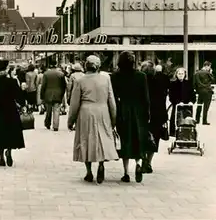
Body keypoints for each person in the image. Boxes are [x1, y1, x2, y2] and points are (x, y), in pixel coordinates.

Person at [68, 55, 119, 183]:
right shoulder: (106, 79)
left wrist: (71, 120)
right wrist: (113, 118)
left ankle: (89, 171)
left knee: (85, 139)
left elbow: (74, 103)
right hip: (103, 111)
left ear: (86, 66)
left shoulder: (80, 80)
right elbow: (111, 100)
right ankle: (101, 163)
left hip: (85, 112)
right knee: (102, 138)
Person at [110, 51, 150, 183]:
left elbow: (113, 97)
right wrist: (147, 114)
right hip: (138, 111)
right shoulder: (141, 76)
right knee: (137, 138)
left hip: (123, 111)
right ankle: (138, 164)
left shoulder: (115, 77)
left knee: (125, 140)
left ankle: (126, 172)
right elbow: (145, 98)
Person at [141, 61, 168, 174]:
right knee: (154, 138)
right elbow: (162, 99)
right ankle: (149, 162)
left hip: (142, 113)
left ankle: (143, 161)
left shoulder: (141, 81)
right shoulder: (159, 82)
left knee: (143, 137)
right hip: (156, 114)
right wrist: (164, 117)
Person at [168, 67, 196, 136]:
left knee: (188, 120)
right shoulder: (173, 84)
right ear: (176, 74)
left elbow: (192, 94)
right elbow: (171, 96)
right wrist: (177, 102)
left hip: (187, 106)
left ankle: (188, 133)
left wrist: (191, 102)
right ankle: (173, 133)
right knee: (174, 119)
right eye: (179, 74)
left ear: (185, 74)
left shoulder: (188, 83)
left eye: (182, 74)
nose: (181, 75)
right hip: (177, 105)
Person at [40, 60, 67, 131]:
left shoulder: (46, 74)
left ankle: (47, 124)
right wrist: (62, 94)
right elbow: (64, 86)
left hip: (48, 94)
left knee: (48, 110)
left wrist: (42, 96)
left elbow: (43, 86)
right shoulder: (61, 74)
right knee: (56, 110)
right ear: (56, 64)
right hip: (58, 94)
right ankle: (56, 126)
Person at [193, 61, 215, 125]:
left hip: (200, 91)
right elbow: (213, 80)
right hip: (208, 91)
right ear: (207, 66)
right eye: (209, 66)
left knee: (199, 105)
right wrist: (211, 73)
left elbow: (194, 83)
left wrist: (197, 90)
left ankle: (197, 120)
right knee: (206, 107)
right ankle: (204, 121)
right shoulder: (208, 73)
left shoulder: (197, 73)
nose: (209, 68)